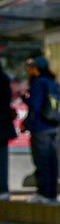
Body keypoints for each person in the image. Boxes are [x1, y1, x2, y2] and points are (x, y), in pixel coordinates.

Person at [23, 55, 60, 203]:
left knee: (41, 161)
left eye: (31, 68)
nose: (29, 71)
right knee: (51, 161)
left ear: (36, 69)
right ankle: (52, 194)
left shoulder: (39, 83)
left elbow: (35, 106)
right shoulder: (52, 82)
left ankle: (43, 193)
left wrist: (24, 99)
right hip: (53, 127)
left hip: (40, 128)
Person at [0, 55, 15, 198]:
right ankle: (3, 190)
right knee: (3, 160)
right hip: (3, 127)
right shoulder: (4, 79)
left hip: (2, 126)